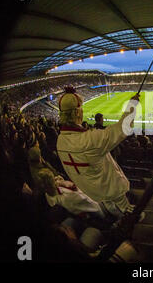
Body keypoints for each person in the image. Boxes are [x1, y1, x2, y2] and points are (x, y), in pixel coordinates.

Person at [56, 86, 141, 221]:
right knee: (130, 221)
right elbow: (123, 128)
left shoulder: (60, 141)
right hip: (113, 199)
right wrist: (133, 105)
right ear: (78, 113)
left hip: (91, 197)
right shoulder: (90, 140)